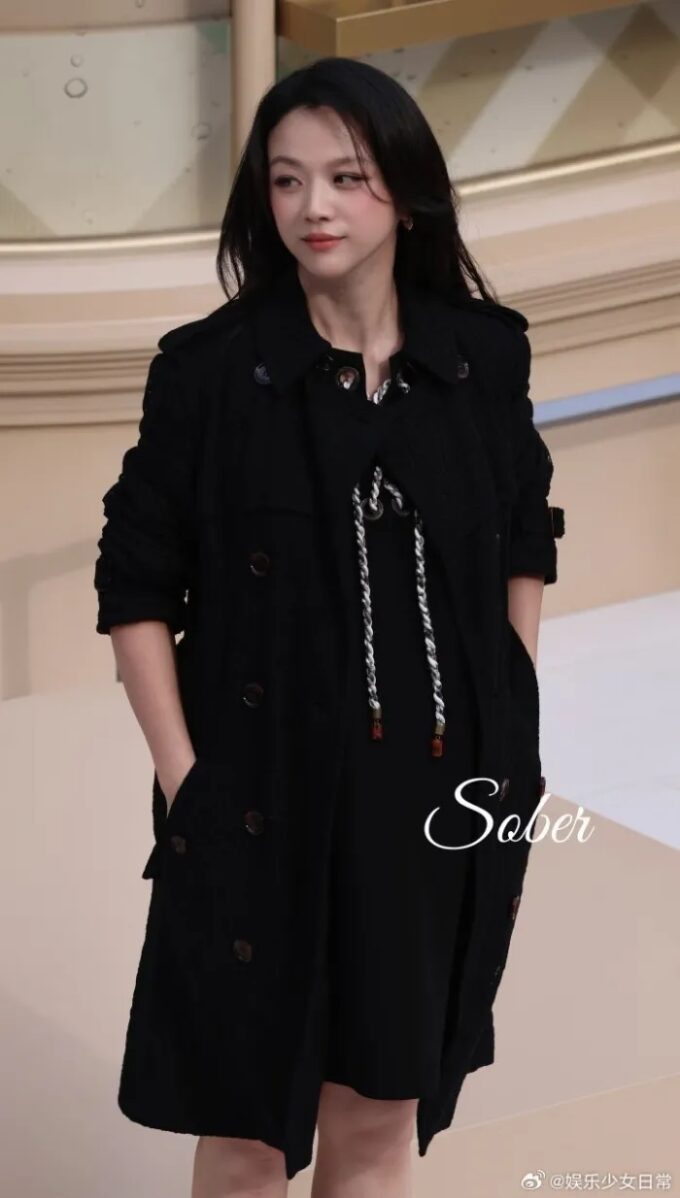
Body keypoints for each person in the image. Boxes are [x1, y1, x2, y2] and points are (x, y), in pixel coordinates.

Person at [94, 56, 565, 1198]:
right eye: (287, 179)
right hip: (261, 789)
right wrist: (186, 778)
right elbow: (136, 583)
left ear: (402, 188)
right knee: (249, 1130)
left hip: (435, 792)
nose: (314, 207)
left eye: (346, 177)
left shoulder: (481, 355)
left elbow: (523, 531)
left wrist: (507, 711)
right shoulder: (210, 375)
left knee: (381, 1114)